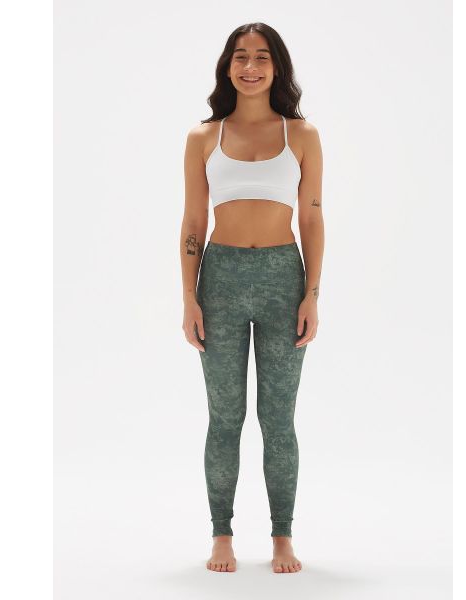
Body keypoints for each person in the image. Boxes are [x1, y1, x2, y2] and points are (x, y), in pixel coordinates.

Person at [180, 22, 324, 574]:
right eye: (240, 57)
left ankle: (282, 537)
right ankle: (222, 534)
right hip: (220, 280)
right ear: (228, 66)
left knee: (278, 418)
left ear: (277, 67)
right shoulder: (203, 137)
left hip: (283, 278)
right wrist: (189, 297)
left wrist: (311, 294)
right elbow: (194, 221)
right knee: (225, 417)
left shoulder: (301, 135)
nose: (250, 67)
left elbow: (312, 219)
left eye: (262, 57)